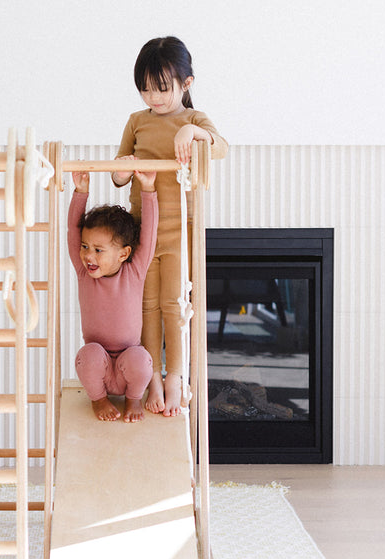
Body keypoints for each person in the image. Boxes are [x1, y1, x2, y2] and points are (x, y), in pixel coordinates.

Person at [112, 36, 229, 416]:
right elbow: (116, 176)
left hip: (181, 231)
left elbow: (222, 146)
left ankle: (175, 378)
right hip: (141, 229)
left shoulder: (194, 119)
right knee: (145, 307)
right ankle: (152, 378)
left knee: (175, 306)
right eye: (146, 89)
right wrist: (124, 167)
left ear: (186, 83)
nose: (154, 98)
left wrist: (191, 133)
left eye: (162, 88)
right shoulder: (136, 121)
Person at [69, 167, 158, 423]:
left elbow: (149, 235)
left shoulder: (135, 271)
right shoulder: (84, 272)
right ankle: (99, 400)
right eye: (86, 247)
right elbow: (73, 231)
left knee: (142, 360)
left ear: (123, 254)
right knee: (88, 354)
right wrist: (81, 192)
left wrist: (148, 189)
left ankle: (134, 400)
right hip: (100, 367)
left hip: (129, 361)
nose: (88, 255)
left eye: (98, 250)